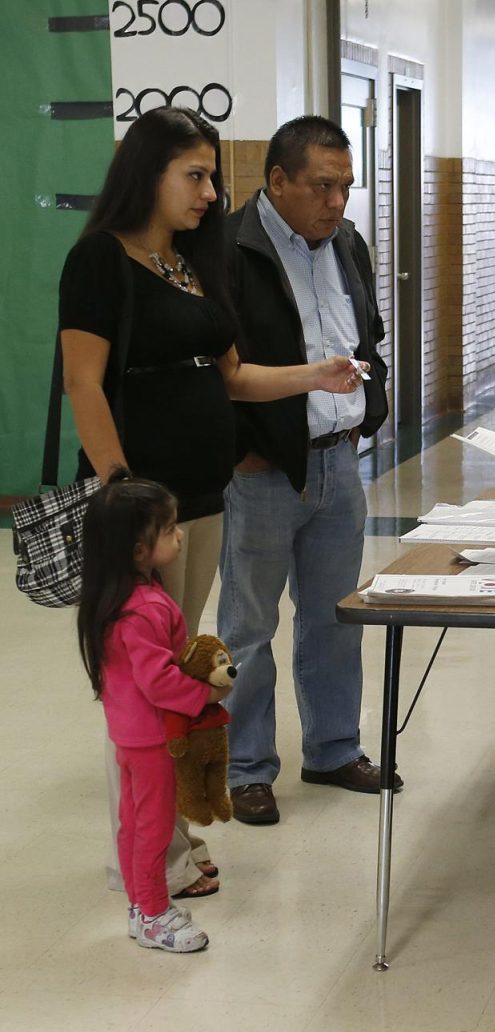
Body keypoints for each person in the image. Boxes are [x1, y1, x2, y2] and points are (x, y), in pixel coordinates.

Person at [59, 107, 367, 897]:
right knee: (142, 682)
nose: (207, 193)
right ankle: (149, 849)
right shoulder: (101, 260)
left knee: (178, 673)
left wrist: (316, 375)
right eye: (193, 177)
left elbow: (233, 376)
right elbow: (83, 383)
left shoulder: (191, 264)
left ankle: (172, 831)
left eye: (209, 177)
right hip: (144, 512)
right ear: (148, 175)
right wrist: (122, 487)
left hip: (203, 498)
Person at [218, 115, 393, 825]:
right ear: (278, 180)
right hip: (261, 473)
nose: (336, 202)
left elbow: (366, 337)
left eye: (346, 186)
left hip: (336, 463)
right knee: (249, 627)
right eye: (322, 186)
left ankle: (331, 749)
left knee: (334, 618)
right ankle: (248, 767)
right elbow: (218, 368)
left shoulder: (348, 244)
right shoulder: (230, 250)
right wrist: (243, 448)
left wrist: (368, 410)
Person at [77, 472, 232, 952]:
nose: (180, 533)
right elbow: (158, 679)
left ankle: (141, 905)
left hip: (129, 734)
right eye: (168, 529)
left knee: (134, 822)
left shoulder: (121, 597)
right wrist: (203, 696)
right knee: (153, 829)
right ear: (137, 550)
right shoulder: (143, 608)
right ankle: (153, 913)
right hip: (150, 739)